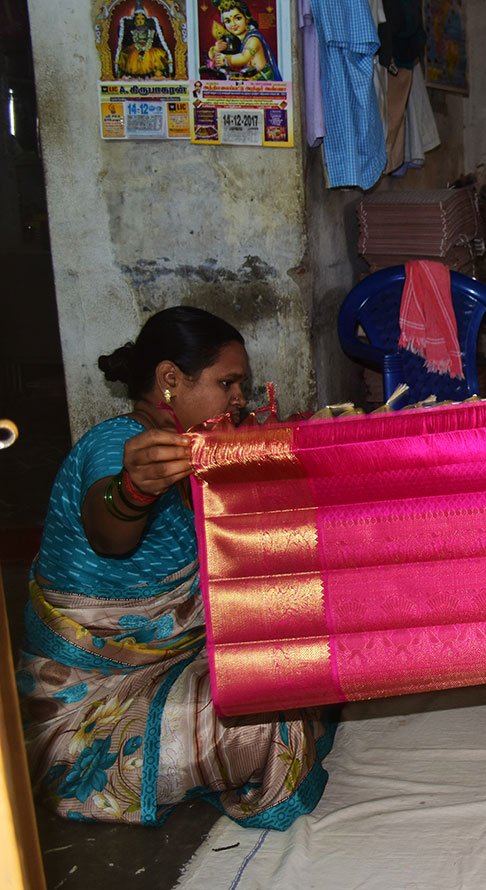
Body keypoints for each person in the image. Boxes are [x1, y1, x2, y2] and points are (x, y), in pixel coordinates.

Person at [17, 306, 334, 827]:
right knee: (273, 711)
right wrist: (132, 490)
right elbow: (109, 531)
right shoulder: (117, 443)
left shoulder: (198, 454)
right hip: (90, 707)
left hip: (175, 665)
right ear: (169, 380)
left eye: (242, 386)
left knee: (308, 637)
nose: (239, 399)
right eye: (227, 383)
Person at [207, 0, 281, 81]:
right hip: (251, 78)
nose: (233, 24)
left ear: (247, 18)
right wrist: (216, 49)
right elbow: (216, 57)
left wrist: (225, 60)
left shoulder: (253, 39)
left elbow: (244, 58)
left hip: (264, 80)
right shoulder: (235, 40)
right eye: (228, 21)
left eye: (238, 18)